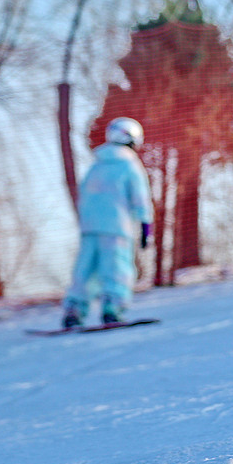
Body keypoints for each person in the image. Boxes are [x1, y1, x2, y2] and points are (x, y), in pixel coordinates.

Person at [61, 117, 153, 328]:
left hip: (90, 228)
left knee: (85, 270)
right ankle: (113, 307)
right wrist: (146, 226)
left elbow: (85, 196)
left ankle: (74, 309)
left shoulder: (97, 165)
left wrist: (86, 223)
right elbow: (140, 197)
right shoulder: (129, 165)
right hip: (117, 228)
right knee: (116, 269)